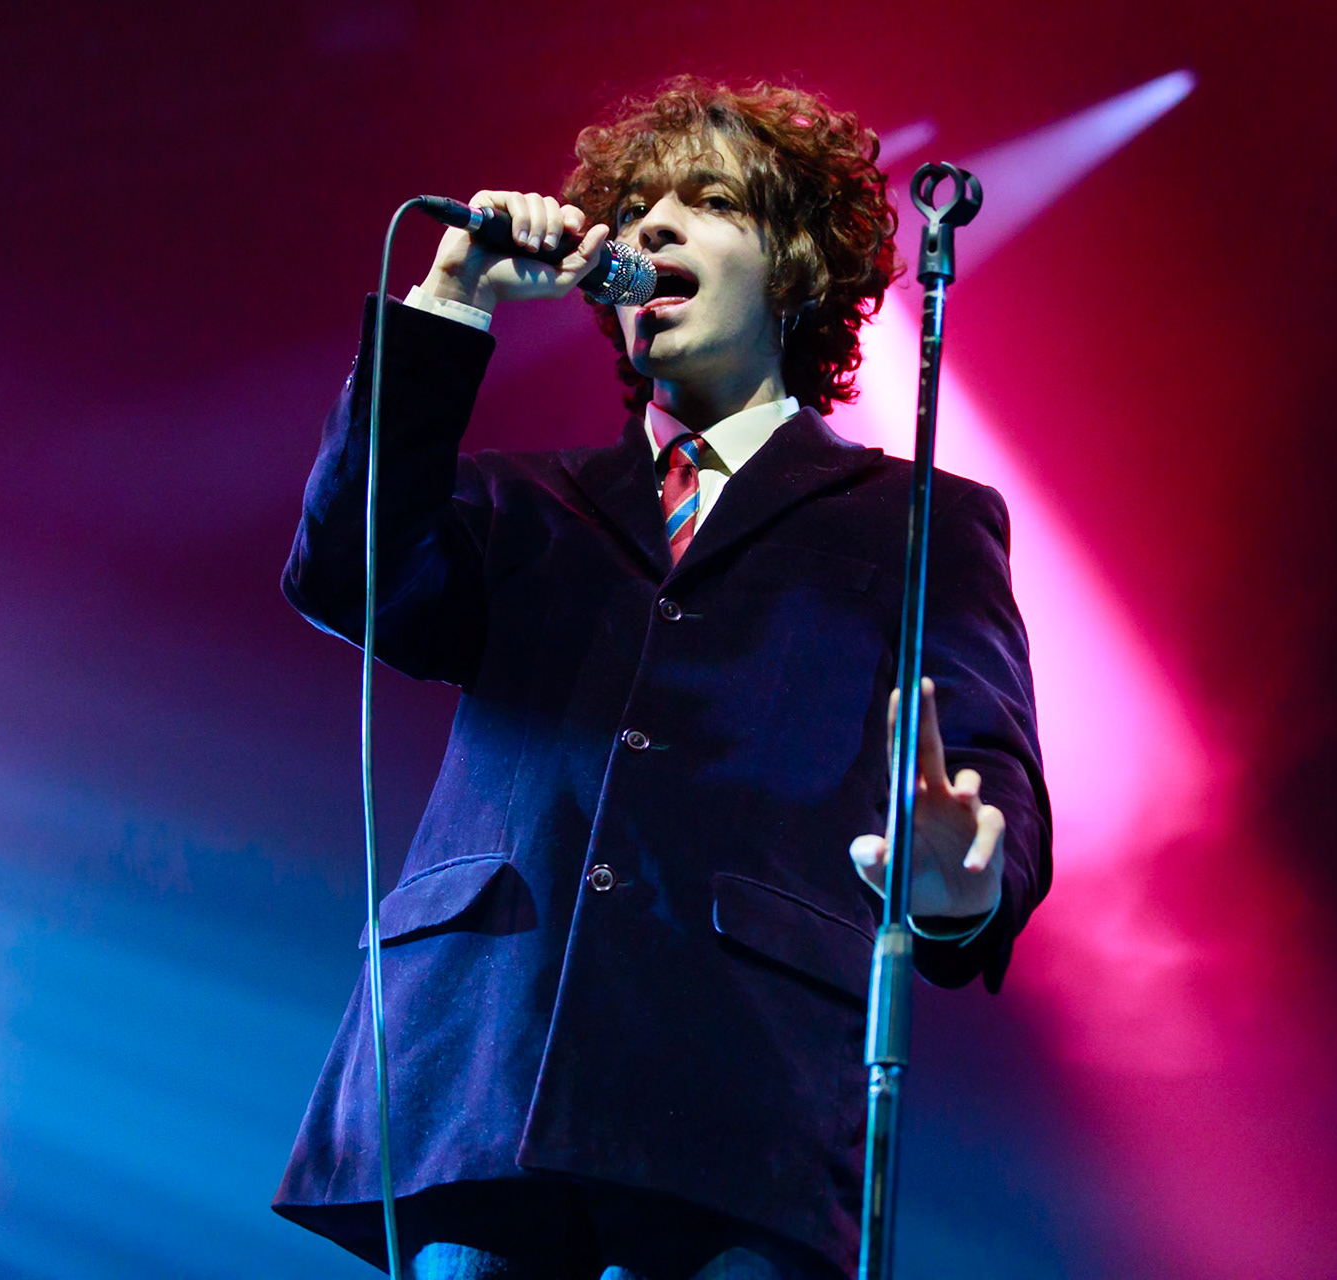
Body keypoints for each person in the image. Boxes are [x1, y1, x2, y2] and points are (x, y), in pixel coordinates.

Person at [274, 77, 1052, 1280]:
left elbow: (992, 768)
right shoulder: (524, 503)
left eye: (705, 202)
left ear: (794, 265)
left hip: (734, 1119)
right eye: (634, 211)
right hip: (492, 1092)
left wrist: (959, 878)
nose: (650, 230)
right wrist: (450, 300)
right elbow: (346, 572)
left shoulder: (920, 520)